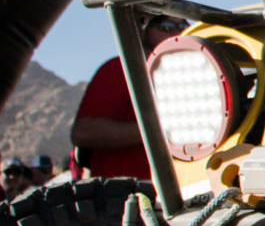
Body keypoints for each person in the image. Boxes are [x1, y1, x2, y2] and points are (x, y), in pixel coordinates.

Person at [72, 15, 186, 179]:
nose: (176, 32)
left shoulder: (191, 75)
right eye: (165, 26)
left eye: (183, 25)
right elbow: (83, 131)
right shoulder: (120, 69)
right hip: (124, 195)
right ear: (143, 28)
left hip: (180, 192)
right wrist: (161, 129)